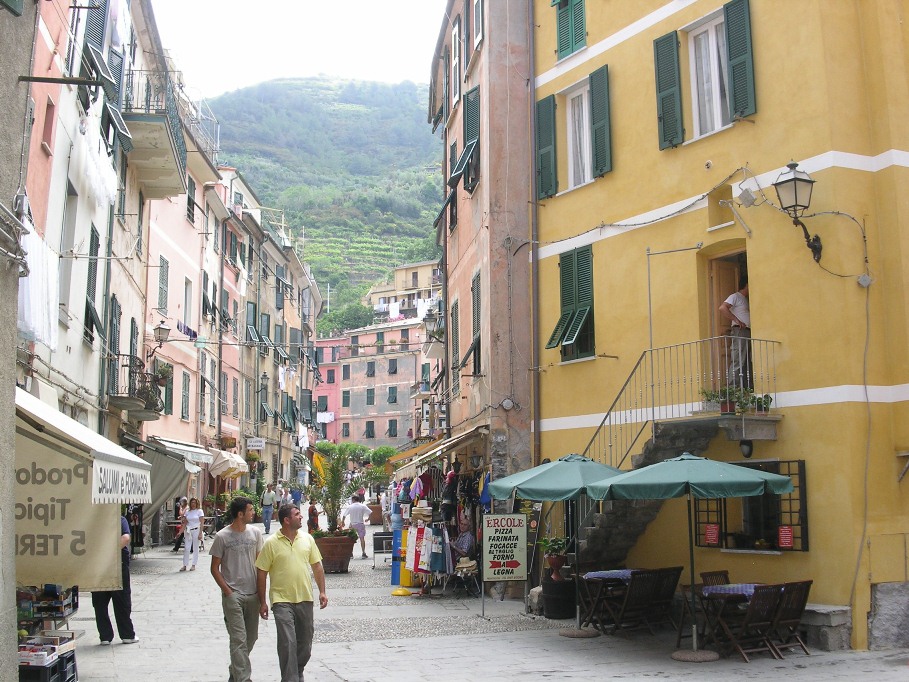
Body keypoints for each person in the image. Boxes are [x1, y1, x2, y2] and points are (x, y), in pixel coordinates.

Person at [256, 504, 328, 682]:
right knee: (288, 642)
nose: (301, 517)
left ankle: (297, 671)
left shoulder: (307, 539)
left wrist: (322, 592)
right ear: (287, 520)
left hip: (305, 597)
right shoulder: (271, 543)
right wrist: (263, 602)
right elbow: (262, 572)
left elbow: (317, 566)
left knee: (305, 643)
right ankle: (290, 679)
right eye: (297, 514)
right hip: (281, 600)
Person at [210, 496, 264, 682]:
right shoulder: (222, 536)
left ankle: (235, 671)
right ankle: (244, 678)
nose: (253, 513)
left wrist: (262, 597)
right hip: (233, 594)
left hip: (253, 593)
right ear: (240, 514)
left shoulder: (256, 533)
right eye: (250, 510)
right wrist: (227, 591)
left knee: (252, 637)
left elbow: (260, 565)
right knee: (238, 638)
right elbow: (214, 568)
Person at [91, 515, 138, 645]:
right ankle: (127, 635)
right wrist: (109, 551)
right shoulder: (118, 519)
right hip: (115, 563)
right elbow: (126, 537)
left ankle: (105, 636)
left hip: (99, 562)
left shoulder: (93, 519)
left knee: (100, 601)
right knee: (121, 599)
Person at [718, 275, 751, 389]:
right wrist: (736, 320)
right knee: (738, 359)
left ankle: (744, 387)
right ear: (746, 284)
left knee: (745, 359)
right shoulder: (735, 296)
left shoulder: (745, 299)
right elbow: (722, 308)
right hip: (739, 330)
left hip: (746, 331)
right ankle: (733, 388)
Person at [341, 494, 372, 559]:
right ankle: (363, 552)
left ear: (353, 500)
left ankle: (351, 553)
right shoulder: (363, 506)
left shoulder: (350, 506)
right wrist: (368, 519)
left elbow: (344, 515)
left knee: (351, 539)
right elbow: (370, 512)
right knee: (362, 539)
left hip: (352, 524)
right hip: (360, 523)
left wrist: (343, 522)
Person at [180, 498, 205, 572]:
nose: (193, 504)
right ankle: (185, 564)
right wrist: (180, 532)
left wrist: (200, 533)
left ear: (197, 503)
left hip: (196, 529)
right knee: (187, 548)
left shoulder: (199, 511)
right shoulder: (188, 512)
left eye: (194, 502)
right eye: (192, 502)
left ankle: (194, 564)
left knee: (195, 547)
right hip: (188, 530)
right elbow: (185, 522)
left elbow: (202, 522)